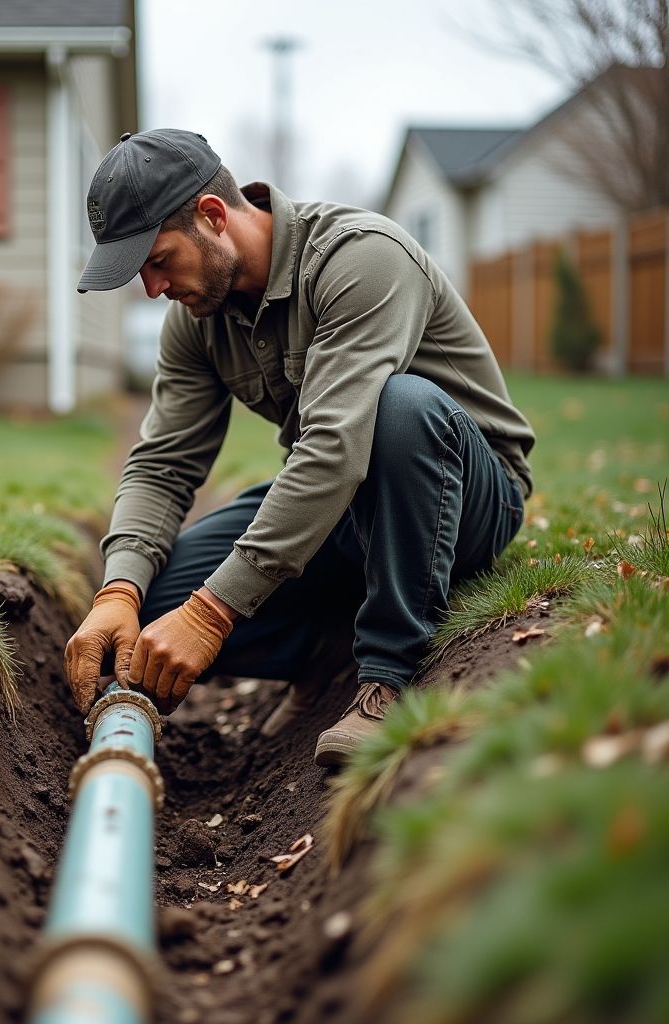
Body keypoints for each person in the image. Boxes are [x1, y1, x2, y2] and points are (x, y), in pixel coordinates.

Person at [64, 129, 534, 766]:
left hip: (460, 496)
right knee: (157, 605)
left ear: (212, 216)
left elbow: (335, 447)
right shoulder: (198, 318)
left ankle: (387, 677)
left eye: (158, 260)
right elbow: (163, 463)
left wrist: (214, 614)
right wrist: (117, 591)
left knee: (399, 407)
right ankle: (327, 651)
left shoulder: (360, 258)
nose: (151, 289)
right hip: (343, 506)